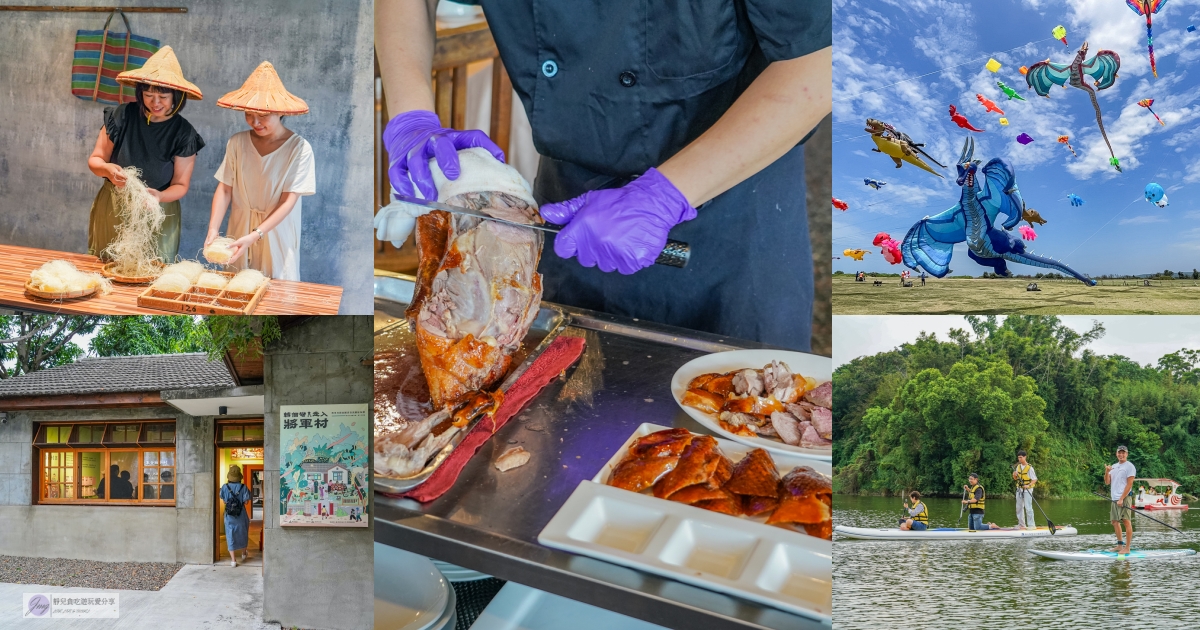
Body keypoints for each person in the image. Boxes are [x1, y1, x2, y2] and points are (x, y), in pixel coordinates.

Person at [374, 1, 832, 351]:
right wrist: (412, 116)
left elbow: (820, 60)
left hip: (732, 211)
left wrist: (665, 195)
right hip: (568, 202)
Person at [86, 46, 205, 263]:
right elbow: (95, 160)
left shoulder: (184, 133)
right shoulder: (122, 115)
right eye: (148, 95)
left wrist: (158, 196)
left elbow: (180, 185)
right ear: (140, 93)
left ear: (177, 97)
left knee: (152, 270)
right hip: (115, 206)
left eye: (163, 96)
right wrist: (107, 170)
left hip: (158, 209)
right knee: (108, 266)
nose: (155, 102)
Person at [206, 62, 316, 280]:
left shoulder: (299, 148)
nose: (254, 122)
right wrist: (213, 230)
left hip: (276, 232)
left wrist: (256, 234)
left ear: (280, 112)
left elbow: (288, 201)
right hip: (239, 231)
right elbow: (225, 189)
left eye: (262, 115)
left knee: (277, 293)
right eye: (249, 114)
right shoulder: (237, 142)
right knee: (236, 290)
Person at [1105, 445, 1136, 554]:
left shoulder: (1130, 466)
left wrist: (1122, 498)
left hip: (1125, 498)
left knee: (1126, 521)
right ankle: (1119, 545)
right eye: (1119, 452)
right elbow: (1107, 482)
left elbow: (1130, 483)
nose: (1121, 454)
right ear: (1116, 454)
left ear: (1126, 454)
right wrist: (1107, 471)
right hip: (1115, 498)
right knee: (1114, 521)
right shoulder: (1113, 466)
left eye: (1123, 453)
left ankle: (1127, 548)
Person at [220, 465, 253, 567]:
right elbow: (246, 502)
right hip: (241, 514)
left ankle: (233, 560)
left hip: (229, 515)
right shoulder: (244, 487)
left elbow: (225, 501)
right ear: (239, 476)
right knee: (243, 532)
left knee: (230, 534)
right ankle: (243, 553)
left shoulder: (225, 487)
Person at [1013, 450, 1037, 529]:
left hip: (1028, 490)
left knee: (1028, 507)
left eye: (1021, 457)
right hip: (1019, 489)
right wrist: (1014, 475)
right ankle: (1021, 524)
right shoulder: (1018, 467)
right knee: (1019, 507)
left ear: (1025, 457)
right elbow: (1015, 478)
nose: (1019, 459)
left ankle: (1031, 525)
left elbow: (1034, 479)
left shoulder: (1030, 468)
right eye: (1018, 457)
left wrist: (1028, 485)